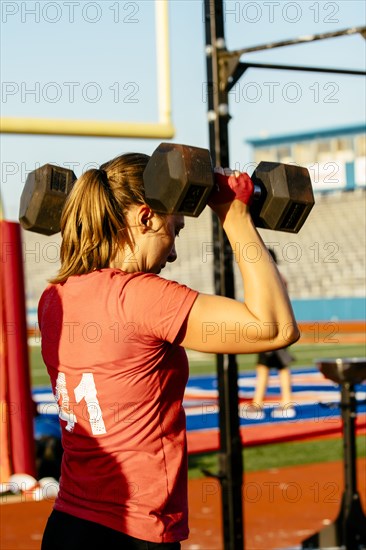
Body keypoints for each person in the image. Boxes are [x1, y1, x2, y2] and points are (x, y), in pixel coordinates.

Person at [39, 152, 299, 550]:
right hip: (132, 532)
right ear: (145, 218)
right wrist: (233, 214)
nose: (173, 253)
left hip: (68, 525)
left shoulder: (54, 297)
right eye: (173, 231)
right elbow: (276, 327)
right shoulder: (141, 297)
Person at [250, 248, 296, 419]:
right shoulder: (279, 277)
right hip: (280, 326)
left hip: (272, 328)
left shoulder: (270, 278)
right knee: (274, 367)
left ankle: (264, 405)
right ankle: (280, 403)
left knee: (268, 367)